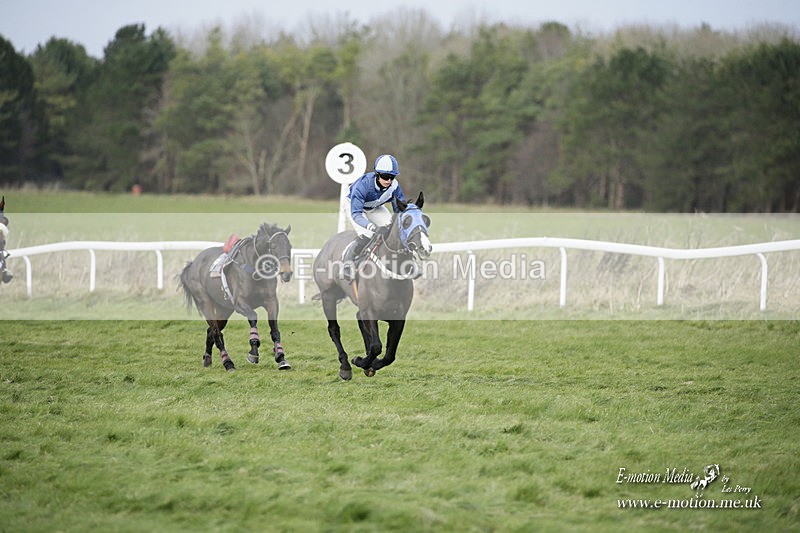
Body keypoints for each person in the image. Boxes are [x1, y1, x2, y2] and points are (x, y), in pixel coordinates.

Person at [339, 154, 406, 281]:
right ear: (377, 174)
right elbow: (357, 214)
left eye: (392, 177)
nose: (389, 181)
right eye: (385, 176)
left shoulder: (394, 186)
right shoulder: (363, 185)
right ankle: (347, 264)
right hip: (354, 207)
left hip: (374, 207)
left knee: (394, 230)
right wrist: (372, 227)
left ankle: (407, 261)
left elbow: (399, 210)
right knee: (368, 234)